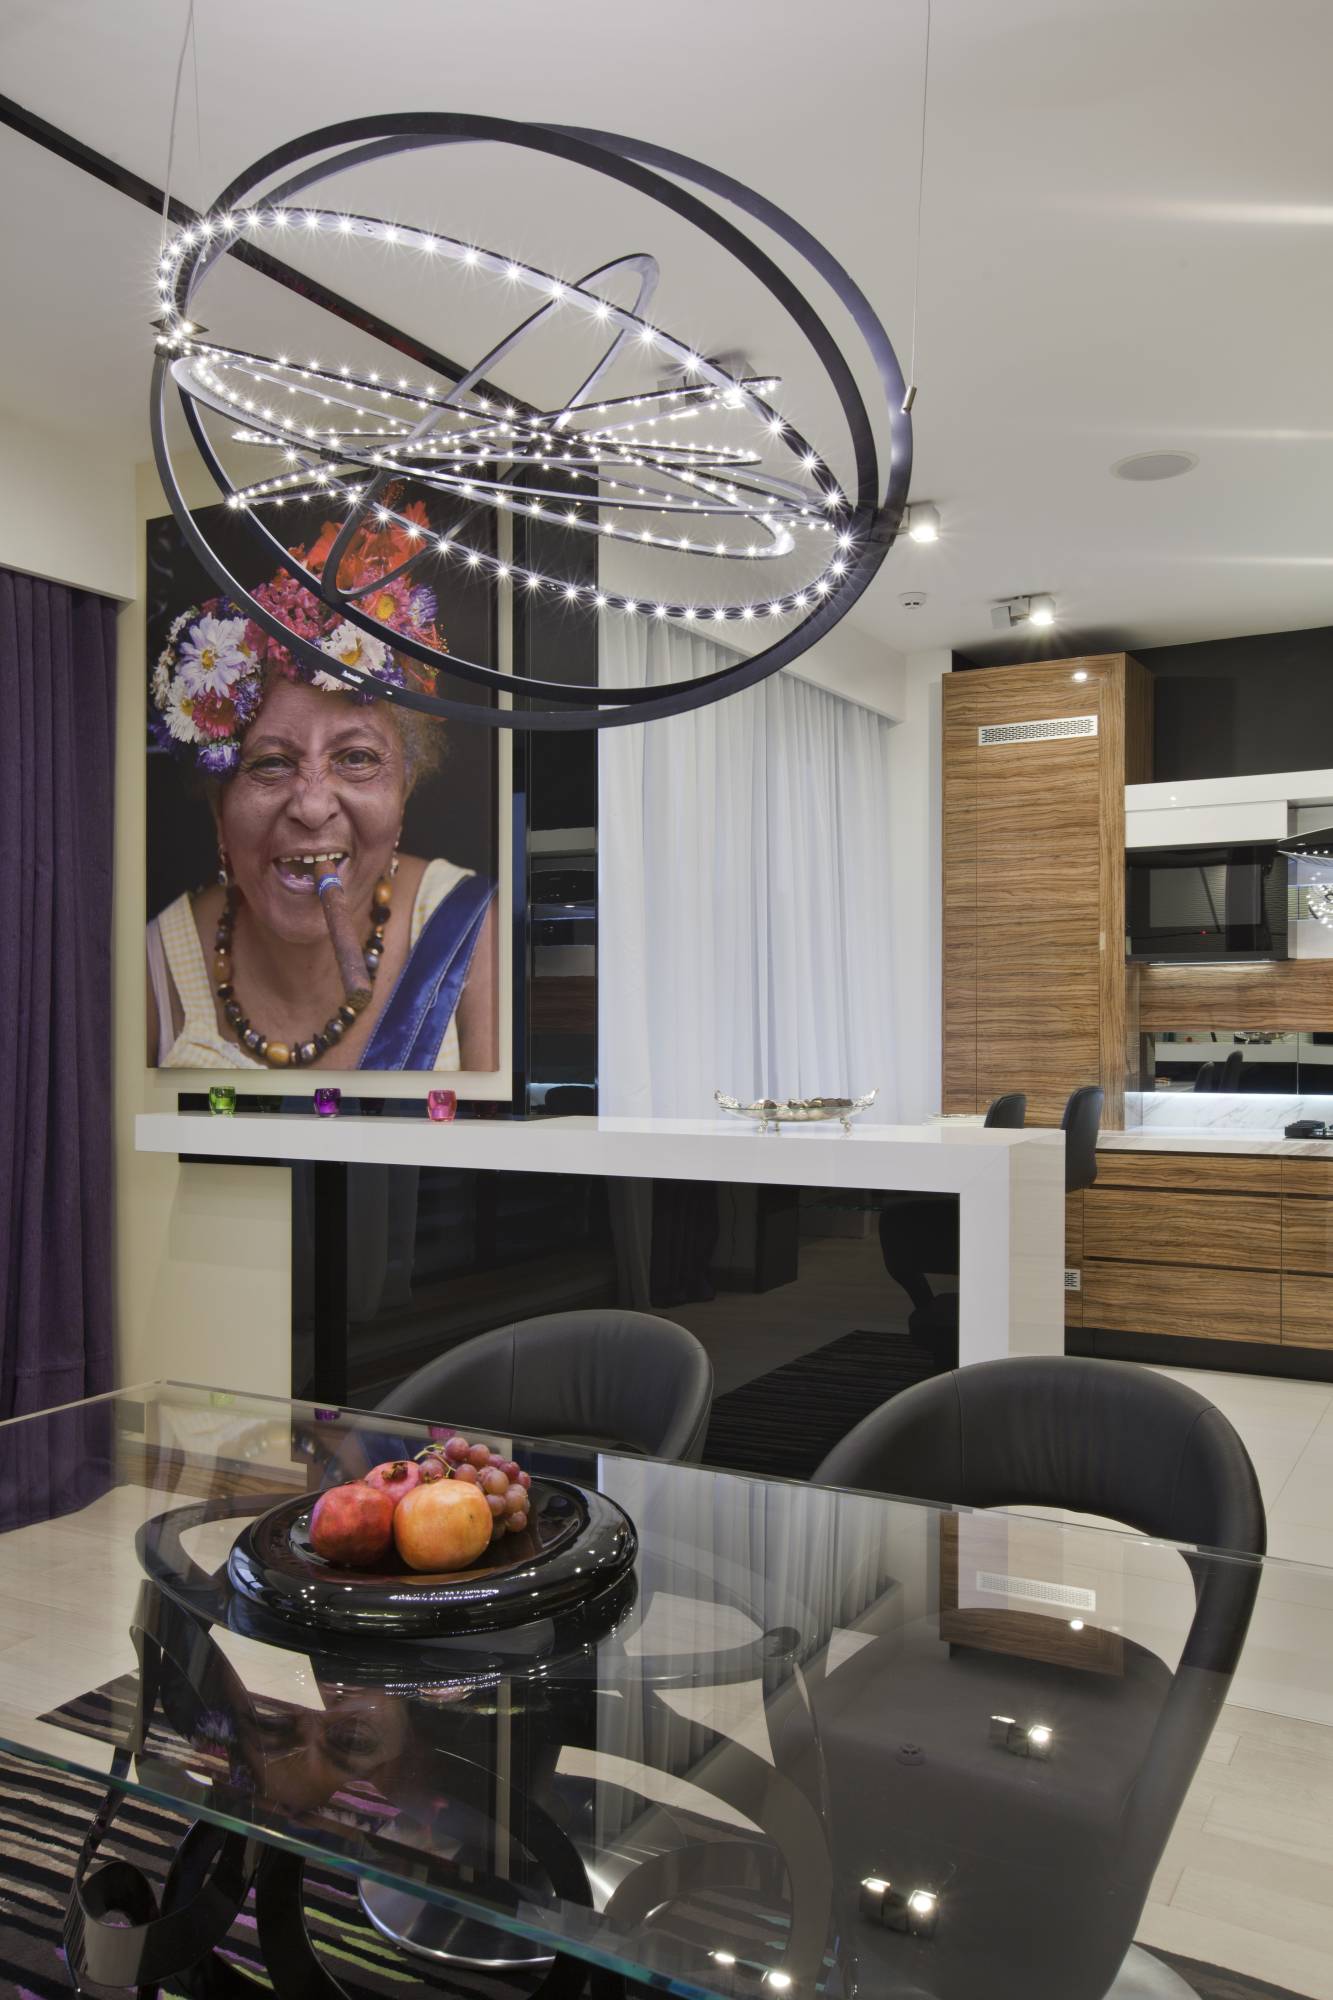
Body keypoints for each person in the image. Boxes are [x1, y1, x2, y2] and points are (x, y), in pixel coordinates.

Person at [146, 510, 497, 1072]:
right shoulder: (154, 967)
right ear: (218, 804)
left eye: (356, 758)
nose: (311, 807)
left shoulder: (477, 935)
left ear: (404, 788)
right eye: (271, 763)